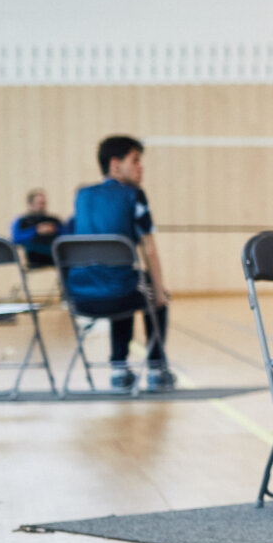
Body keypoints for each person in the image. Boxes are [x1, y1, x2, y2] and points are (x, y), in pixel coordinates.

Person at [65, 136, 172, 391]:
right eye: (135, 161)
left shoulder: (82, 196)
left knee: (125, 281)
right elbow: (149, 249)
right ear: (115, 165)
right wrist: (160, 292)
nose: (140, 167)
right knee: (152, 291)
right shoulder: (134, 195)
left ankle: (119, 370)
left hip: (80, 296)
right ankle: (156, 368)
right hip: (119, 293)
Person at [11, 189, 63, 269]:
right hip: (35, 257)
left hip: (56, 256)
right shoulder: (22, 221)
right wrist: (36, 231)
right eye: (39, 203)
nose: (42, 206)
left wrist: (54, 229)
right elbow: (16, 238)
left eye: (44, 203)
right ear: (30, 204)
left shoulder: (53, 220)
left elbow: (66, 235)